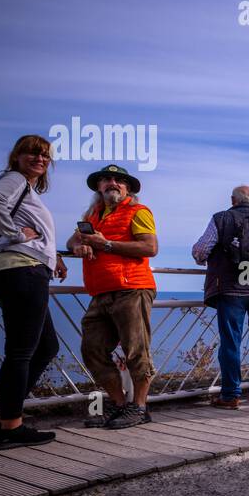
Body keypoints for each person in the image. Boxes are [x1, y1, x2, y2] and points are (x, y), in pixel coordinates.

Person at [0, 135, 68, 449]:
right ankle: (11, 426)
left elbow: (35, 232)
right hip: (20, 271)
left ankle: (5, 420)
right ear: (16, 156)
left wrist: (52, 256)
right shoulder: (14, 179)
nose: (39, 159)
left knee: (46, 347)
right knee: (21, 352)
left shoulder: (24, 188)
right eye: (32, 152)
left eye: (44, 155)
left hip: (18, 270)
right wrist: (15, 234)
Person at [67, 164, 158, 429]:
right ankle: (120, 405)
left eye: (119, 180)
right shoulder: (92, 214)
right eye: (106, 180)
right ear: (99, 187)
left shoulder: (138, 212)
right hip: (100, 291)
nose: (112, 183)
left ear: (127, 188)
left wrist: (105, 244)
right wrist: (80, 246)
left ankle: (139, 407)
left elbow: (150, 247)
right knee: (92, 349)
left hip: (132, 288)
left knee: (135, 350)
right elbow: (71, 242)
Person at [192, 185, 249, 408]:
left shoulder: (220, 219)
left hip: (231, 289)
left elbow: (202, 249)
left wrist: (201, 258)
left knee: (231, 341)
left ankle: (231, 395)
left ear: (233, 200)